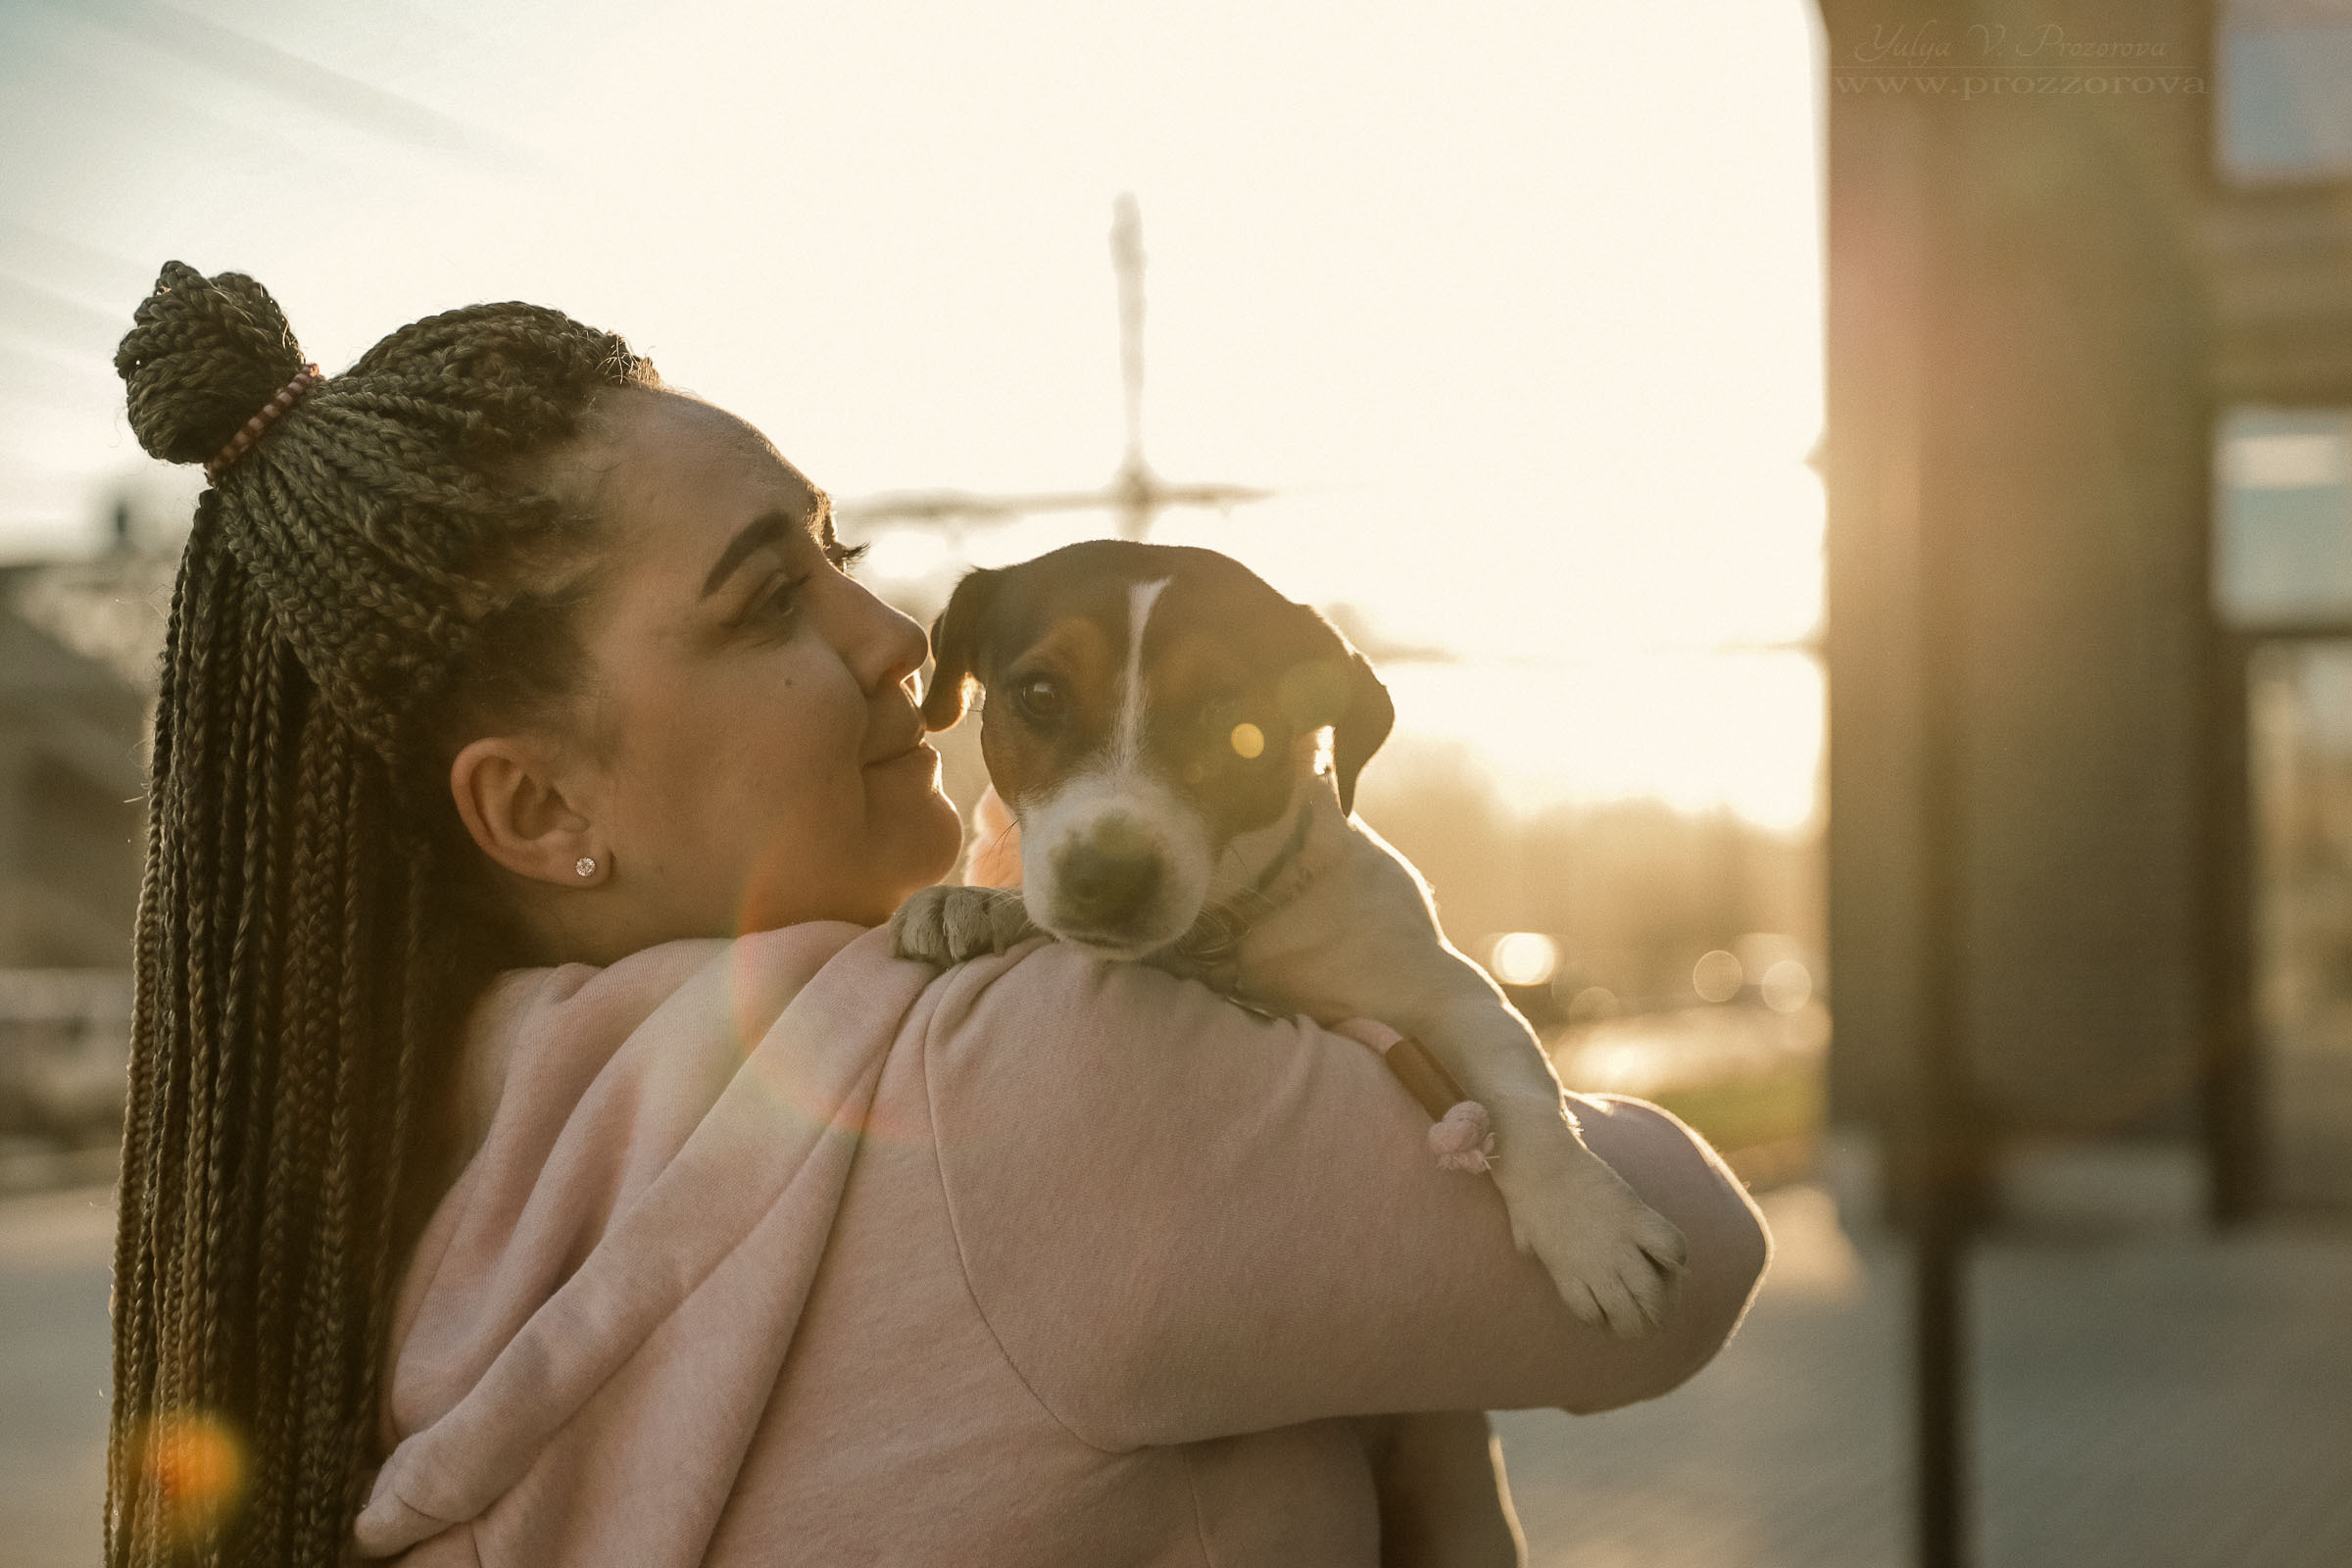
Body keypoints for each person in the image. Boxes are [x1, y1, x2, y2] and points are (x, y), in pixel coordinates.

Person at [107, 263, 1769, 1567]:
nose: (902, 634)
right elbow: (1683, 1253)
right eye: (770, 595)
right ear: (538, 807)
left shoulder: (420, 1122)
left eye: (843, 549)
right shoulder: (1017, 1092)